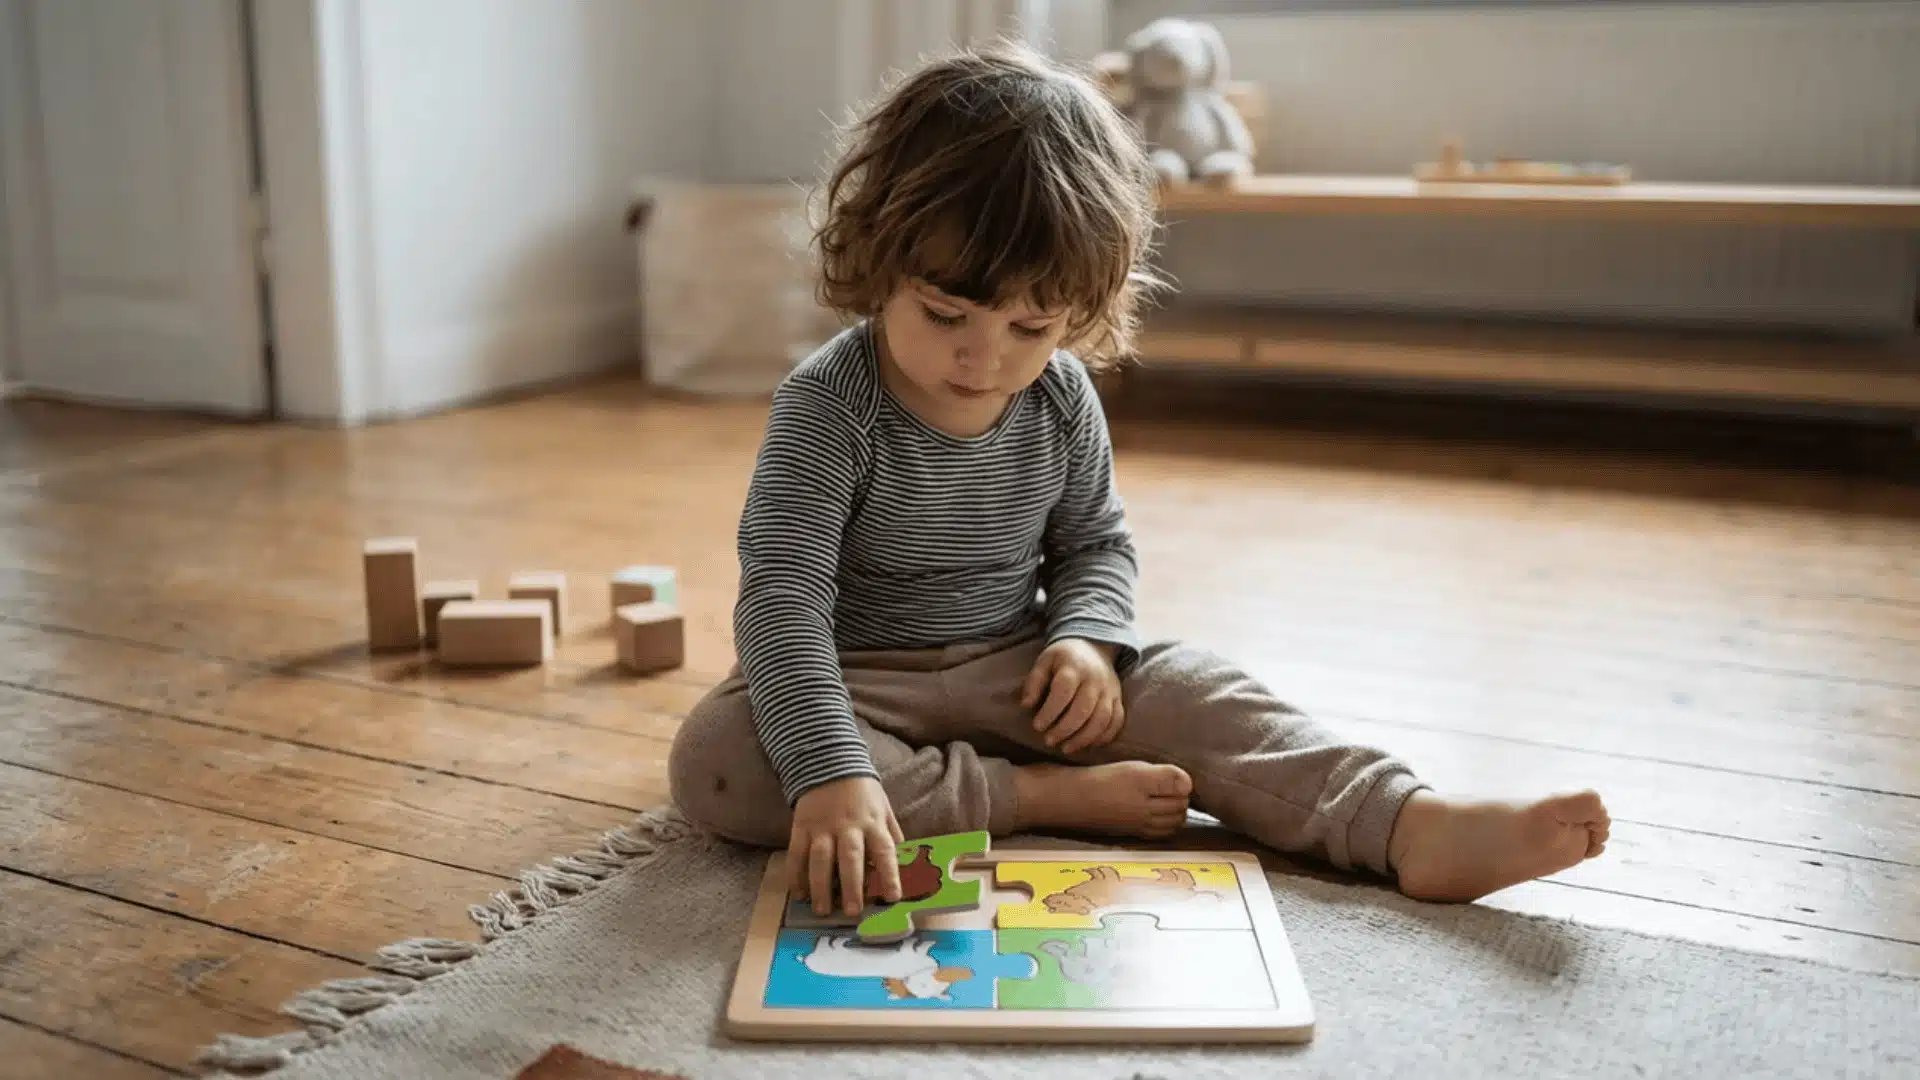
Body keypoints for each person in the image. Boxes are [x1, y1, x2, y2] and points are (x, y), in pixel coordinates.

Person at [667, 41, 1609, 919]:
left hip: (1023, 673)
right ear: (880, 257)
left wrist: (1084, 641)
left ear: (1079, 309)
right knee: (718, 761)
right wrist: (834, 769)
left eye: (1029, 330)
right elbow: (783, 604)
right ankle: (1031, 798)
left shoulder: (1062, 397)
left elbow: (1095, 545)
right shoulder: (828, 404)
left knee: (1199, 691)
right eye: (946, 311)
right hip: (863, 685)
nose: (982, 358)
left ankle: (1409, 825)